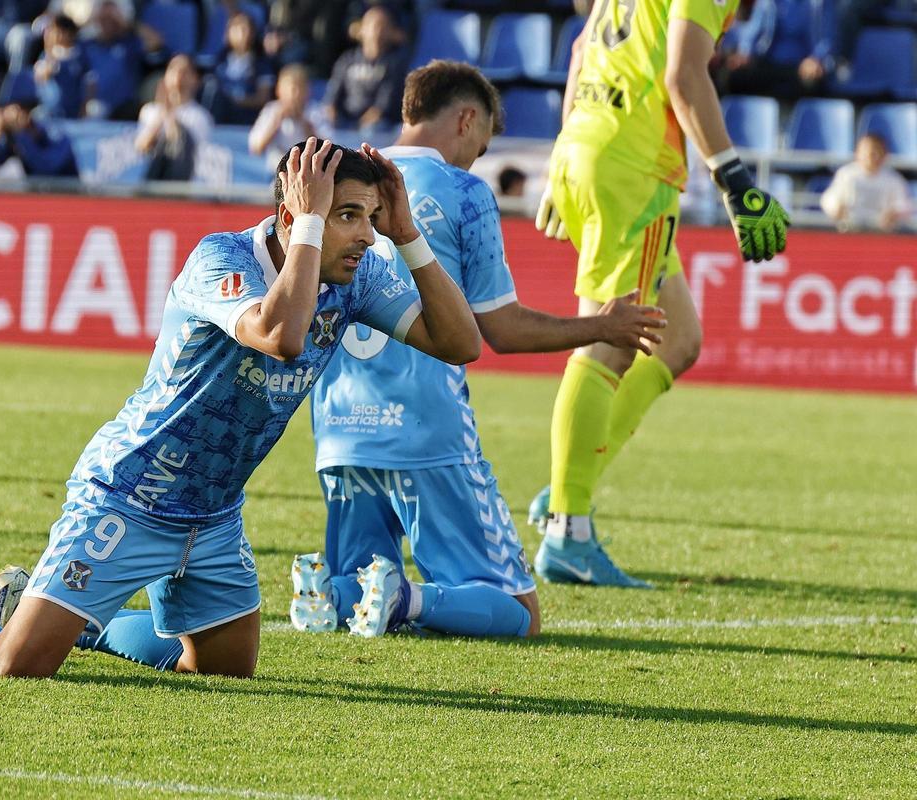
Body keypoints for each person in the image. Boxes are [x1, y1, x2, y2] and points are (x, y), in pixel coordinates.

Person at [0, 138, 482, 679]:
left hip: (212, 516)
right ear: (293, 217)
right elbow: (280, 335)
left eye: (369, 218)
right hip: (127, 497)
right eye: (348, 218)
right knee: (12, 666)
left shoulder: (357, 272)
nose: (366, 236)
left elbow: (460, 342)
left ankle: (75, 619)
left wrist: (409, 234)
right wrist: (309, 228)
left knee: (218, 673)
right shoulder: (222, 260)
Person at [290, 61, 666, 640]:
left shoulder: (349, 184)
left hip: (340, 431)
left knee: (360, 586)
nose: (476, 160)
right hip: (426, 431)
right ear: (466, 119)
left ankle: (329, 589)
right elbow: (504, 328)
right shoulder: (461, 191)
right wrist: (602, 326)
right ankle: (406, 601)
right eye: (481, 146)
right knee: (518, 612)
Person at [528, 0, 791, 586]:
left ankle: (572, 484)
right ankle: (568, 530)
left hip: (590, 146)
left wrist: (562, 157)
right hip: (633, 164)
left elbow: (580, 53)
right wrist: (735, 181)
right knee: (611, 342)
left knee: (678, 342)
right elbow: (683, 75)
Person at [323, 5, 405, 131]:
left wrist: (357, 127)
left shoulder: (395, 64)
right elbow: (332, 97)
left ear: (390, 31)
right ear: (361, 30)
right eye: (373, 26)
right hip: (345, 121)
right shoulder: (347, 59)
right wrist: (332, 115)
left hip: (378, 126)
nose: (377, 32)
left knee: (374, 129)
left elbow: (382, 107)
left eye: (383, 26)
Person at [136, 53, 212, 181]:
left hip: (182, 187)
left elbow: (183, 152)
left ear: (195, 79)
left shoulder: (200, 116)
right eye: (172, 69)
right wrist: (161, 114)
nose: (178, 75)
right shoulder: (150, 111)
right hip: (151, 185)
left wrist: (169, 115)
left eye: (184, 71)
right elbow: (142, 146)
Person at [820, 132, 911, 232]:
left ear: (884, 154)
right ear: (857, 153)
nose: (871, 156)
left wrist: (894, 213)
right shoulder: (846, 174)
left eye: (876, 151)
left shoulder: (894, 179)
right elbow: (829, 198)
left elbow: (904, 205)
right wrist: (836, 208)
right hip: (850, 231)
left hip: (882, 235)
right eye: (867, 151)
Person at [248, 63, 330, 162]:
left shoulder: (315, 112)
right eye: (292, 89)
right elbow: (256, 148)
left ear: (308, 90)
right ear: (279, 90)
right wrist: (276, 122)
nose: (296, 95)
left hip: (308, 171)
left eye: (300, 89)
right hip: (277, 170)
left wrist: (305, 125)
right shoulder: (272, 110)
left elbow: (328, 149)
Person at [205, 11, 275, 125]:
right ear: (228, 33)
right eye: (237, 28)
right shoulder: (219, 60)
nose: (243, 33)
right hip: (218, 117)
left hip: (247, 120)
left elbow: (263, 98)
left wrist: (237, 101)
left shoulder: (262, 64)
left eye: (246, 28)